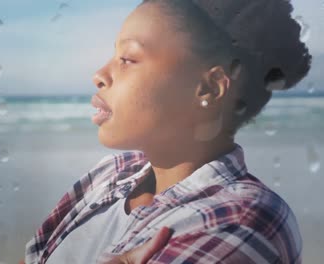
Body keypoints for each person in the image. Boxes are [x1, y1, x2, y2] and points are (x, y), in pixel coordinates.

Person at [21, 0, 312, 263]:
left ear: (208, 88)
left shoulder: (241, 220)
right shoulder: (113, 174)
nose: (99, 75)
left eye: (128, 59)